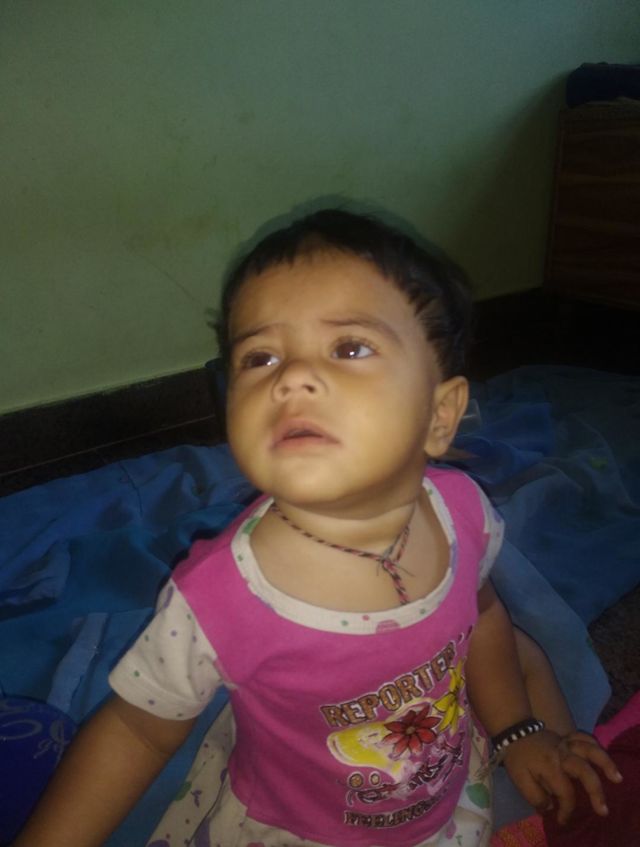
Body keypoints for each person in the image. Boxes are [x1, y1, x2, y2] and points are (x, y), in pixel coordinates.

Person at [14, 209, 622, 847]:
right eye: (260, 357)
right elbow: (136, 731)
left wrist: (518, 731)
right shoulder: (220, 597)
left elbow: (486, 617)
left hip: (445, 801)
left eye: (349, 347)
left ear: (440, 416)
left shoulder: (461, 511)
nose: (291, 378)